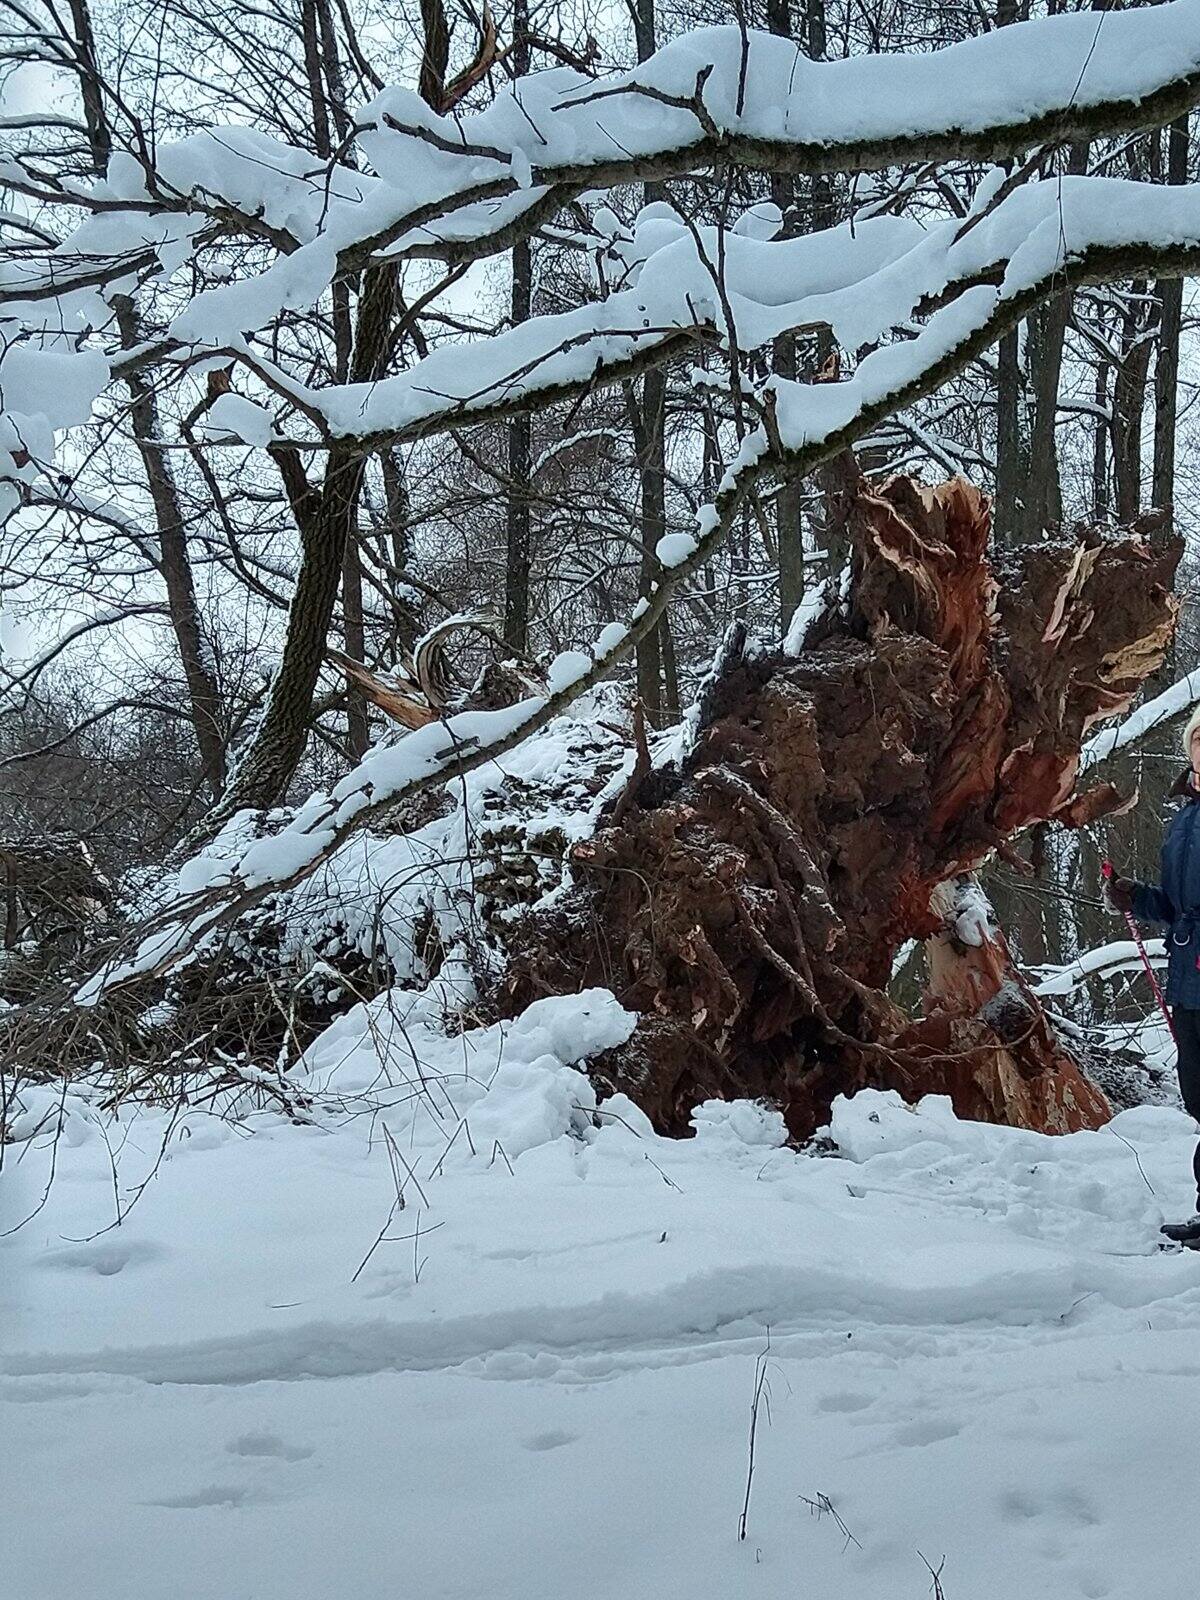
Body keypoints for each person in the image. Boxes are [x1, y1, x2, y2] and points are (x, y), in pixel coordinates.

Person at [1106, 703, 1200, 1244]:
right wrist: (1136, 897)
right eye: (1198, 740)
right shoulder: (1183, 818)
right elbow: (1174, 904)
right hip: (1188, 978)